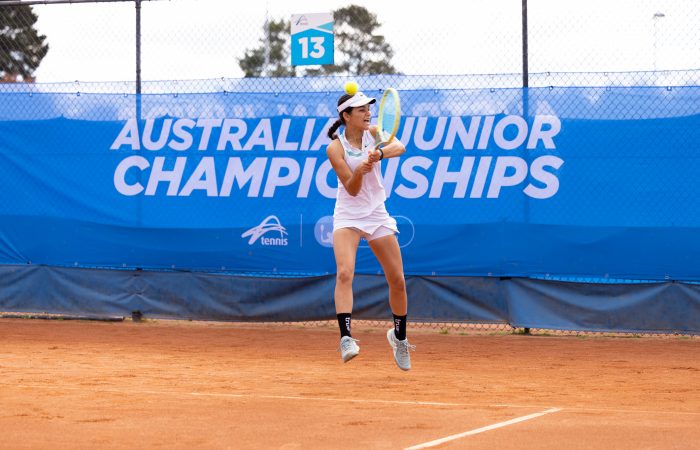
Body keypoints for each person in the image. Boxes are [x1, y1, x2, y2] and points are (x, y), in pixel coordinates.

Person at [325, 86, 415, 371]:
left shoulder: (374, 132)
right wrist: (361, 169)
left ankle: (399, 338)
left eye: (368, 109)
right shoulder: (335, 148)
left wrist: (378, 153)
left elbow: (399, 147)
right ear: (346, 115)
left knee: (397, 279)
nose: (368, 113)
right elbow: (350, 190)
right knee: (344, 272)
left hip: (377, 213)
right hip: (348, 216)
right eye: (362, 109)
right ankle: (346, 339)